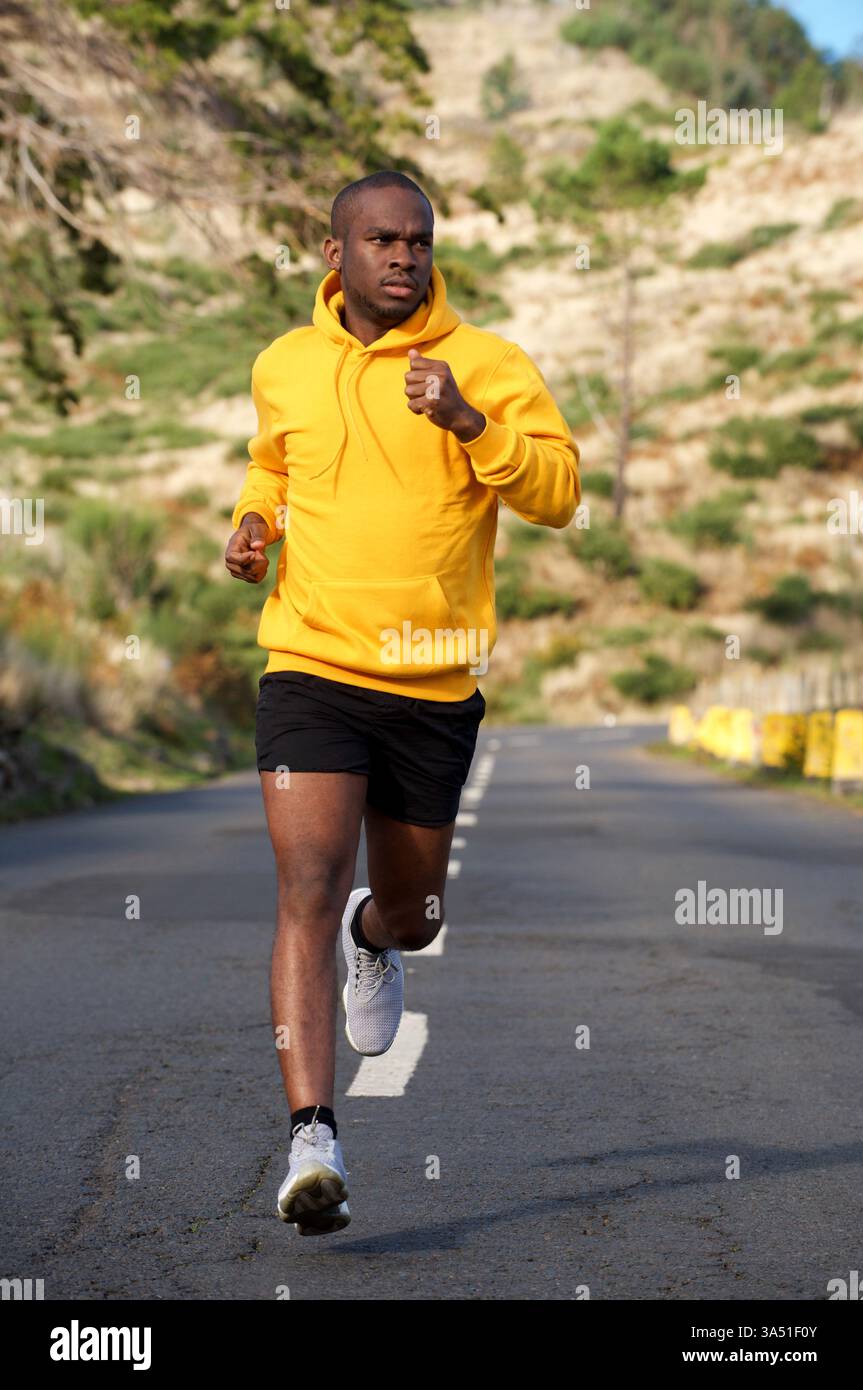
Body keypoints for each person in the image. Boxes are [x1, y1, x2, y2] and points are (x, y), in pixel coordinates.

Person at [225, 170, 580, 1236]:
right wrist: (254, 524)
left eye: (418, 241)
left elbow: (560, 493)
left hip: (432, 684)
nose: (403, 257)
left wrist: (474, 424)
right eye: (381, 240)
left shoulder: (489, 365)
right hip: (311, 664)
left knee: (414, 913)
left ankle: (372, 936)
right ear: (335, 253)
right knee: (304, 878)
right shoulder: (286, 363)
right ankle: (312, 1138)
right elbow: (270, 467)